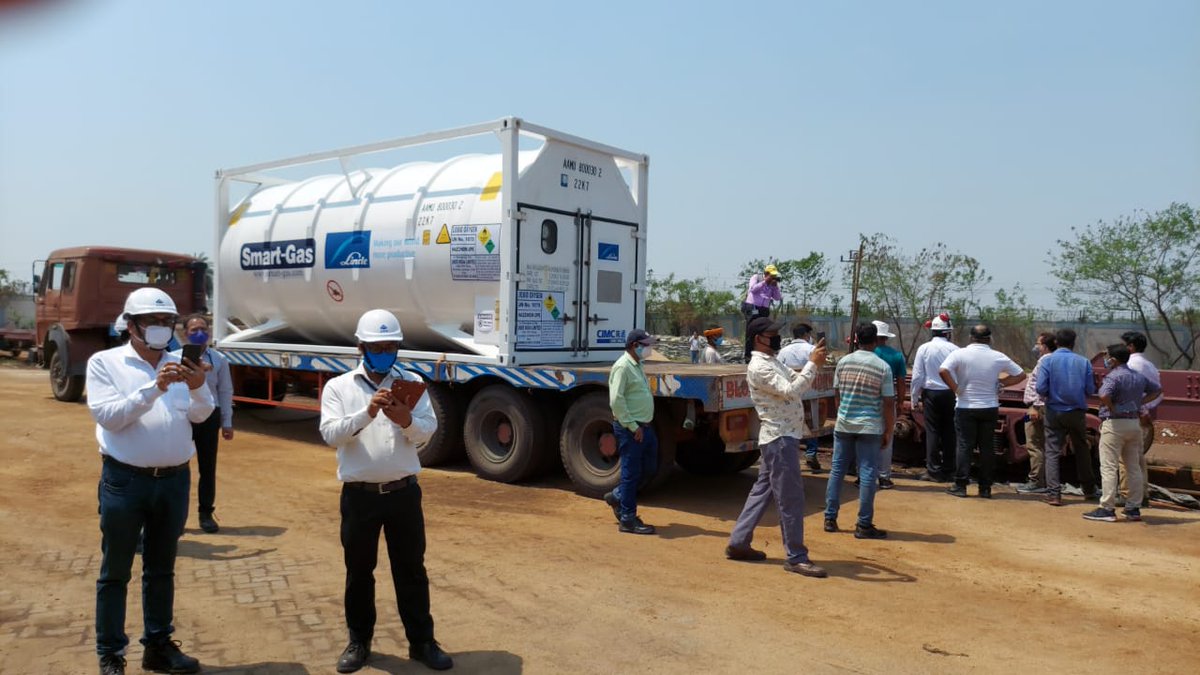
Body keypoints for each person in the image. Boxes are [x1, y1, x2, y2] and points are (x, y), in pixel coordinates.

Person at [319, 309, 453, 672]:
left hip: (403, 494)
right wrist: (367, 414)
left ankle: (422, 642)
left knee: (411, 570)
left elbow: (427, 430)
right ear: (361, 347)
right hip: (359, 495)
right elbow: (331, 434)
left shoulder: (411, 383)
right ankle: (359, 642)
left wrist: (405, 419)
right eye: (377, 346)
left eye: (391, 346)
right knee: (359, 571)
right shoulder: (339, 387)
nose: (384, 352)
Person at [89, 288, 213, 675]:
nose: (161, 329)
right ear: (131, 325)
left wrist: (195, 387)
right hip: (125, 482)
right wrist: (154, 387)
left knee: (161, 568)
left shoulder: (182, 363)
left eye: (166, 322)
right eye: (152, 322)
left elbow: (203, 413)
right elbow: (110, 416)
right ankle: (111, 652)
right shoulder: (105, 363)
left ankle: (158, 646)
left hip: (174, 481)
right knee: (116, 570)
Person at [726, 317, 829, 577]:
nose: (776, 337)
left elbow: (796, 380)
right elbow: (793, 390)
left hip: (780, 437)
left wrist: (811, 365)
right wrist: (813, 365)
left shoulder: (772, 362)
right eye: (772, 333)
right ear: (758, 338)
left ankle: (738, 543)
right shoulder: (760, 367)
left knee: (762, 492)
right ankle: (796, 557)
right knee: (790, 498)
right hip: (780, 438)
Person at [938, 324, 1026, 499]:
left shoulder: (959, 354)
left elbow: (943, 370)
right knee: (987, 448)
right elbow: (1021, 374)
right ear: (989, 338)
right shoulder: (997, 356)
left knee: (964, 446)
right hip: (989, 407)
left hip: (965, 406)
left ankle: (961, 485)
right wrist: (1002, 384)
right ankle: (985, 488)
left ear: (971, 337)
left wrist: (955, 388)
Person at [824, 323, 893, 539]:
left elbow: (837, 394)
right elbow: (888, 403)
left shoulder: (843, 362)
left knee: (837, 470)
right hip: (870, 426)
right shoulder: (882, 367)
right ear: (875, 341)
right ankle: (864, 524)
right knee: (867, 473)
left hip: (844, 423)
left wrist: (842, 413)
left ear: (855, 340)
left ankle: (830, 518)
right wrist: (888, 430)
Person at [1082, 344, 1161, 523]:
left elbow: (1103, 396)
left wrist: (1113, 407)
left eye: (1107, 356)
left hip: (1114, 424)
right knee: (1133, 466)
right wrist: (1139, 402)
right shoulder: (1137, 376)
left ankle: (1106, 508)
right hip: (1134, 424)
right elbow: (1157, 390)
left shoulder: (1113, 376)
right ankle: (1133, 508)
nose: (1106, 360)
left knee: (1109, 466)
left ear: (1114, 360)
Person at [172, 314, 234, 534]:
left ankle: (206, 513)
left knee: (208, 468)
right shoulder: (172, 358)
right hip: (183, 416)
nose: (199, 333)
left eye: (203, 329)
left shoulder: (219, 360)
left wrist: (227, 422)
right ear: (184, 333)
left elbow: (225, 391)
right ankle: (176, 518)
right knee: (178, 468)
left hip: (210, 416)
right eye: (193, 329)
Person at [603, 329, 659, 535]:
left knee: (649, 468)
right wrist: (633, 427)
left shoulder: (637, 364)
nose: (649, 348)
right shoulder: (622, 367)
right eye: (646, 344)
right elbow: (616, 401)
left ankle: (617, 496)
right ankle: (627, 519)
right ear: (635, 345)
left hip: (644, 427)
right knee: (631, 473)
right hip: (631, 428)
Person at [1036, 328, 1098, 507]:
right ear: (1074, 342)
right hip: (1077, 412)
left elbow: (1040, 388)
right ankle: (1089, 490)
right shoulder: (1083, 362)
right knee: (1082, 449)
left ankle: (1054, 495)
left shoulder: (1048, 361)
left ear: (1056, 343)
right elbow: (1090, 390)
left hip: (1054, 411)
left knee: (1052, 451)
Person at [909, 314, 958, 482]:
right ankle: (949, 470)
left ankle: (933, 471)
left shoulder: (924, 349)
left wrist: (914, 398)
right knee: (950, 432)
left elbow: (917, 376)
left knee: (932, 432)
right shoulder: (955, 349)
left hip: (931, 394)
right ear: (947, 333)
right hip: (950, 393)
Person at [1121, 331, 1161, 508]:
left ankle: (1127, 494)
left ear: (1130, 347)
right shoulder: (1149, 365)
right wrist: (1146, 408)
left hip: (1132, 415)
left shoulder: (1131, 365)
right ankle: (1142, 494)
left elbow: (1132, 391)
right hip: (1142, 415)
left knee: (1125, 457)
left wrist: (1139, 407)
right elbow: (1157, 392)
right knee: (1138, 458)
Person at [778, 323, 823, 472]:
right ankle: (811, 453)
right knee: (811, 425)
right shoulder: (812, 350)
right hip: (809, 393)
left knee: (791, 425)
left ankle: (792, 457)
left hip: (789, 394)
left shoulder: (784, 351)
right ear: (806, 335)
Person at [1016, 332, 1057, 494]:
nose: (1036, 346)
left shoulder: (1044, 361)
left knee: (1034, 442)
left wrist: (1034, 406)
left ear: (1045, 346)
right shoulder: (1054, 359)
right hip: (1046, 407)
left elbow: (1040, 386)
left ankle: (1037, 481)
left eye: (1038, 344)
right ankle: (1045, 480)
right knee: (1046, 444)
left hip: (1037, 408)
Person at [871, 320, 906, 490]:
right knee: (887, 437)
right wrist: (900, 402)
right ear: (885, 337)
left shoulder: (867, 353)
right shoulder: (896, 356)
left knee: (866, 437)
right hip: (888, 399)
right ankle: (884, 476)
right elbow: (900, 382)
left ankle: (865, 475)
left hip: (867, 399)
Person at [742, 264, 782, 362]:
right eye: (771, 275)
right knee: (751, 330)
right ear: (766, 274)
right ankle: (748, 356)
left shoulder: (773, 284)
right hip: (753, 307)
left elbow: (777, 298)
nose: (773, 278)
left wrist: (775, 286)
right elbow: (753, 289)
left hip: (764, 309)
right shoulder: (756, 278)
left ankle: (762, 353)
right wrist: (765, 282)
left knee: (763, 331)